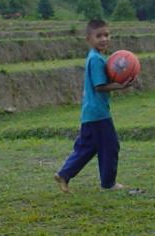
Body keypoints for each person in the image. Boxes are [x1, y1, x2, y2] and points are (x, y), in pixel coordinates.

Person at [54, 19, 133, 192]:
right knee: (110, 146)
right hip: (98, 113)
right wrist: (121, 85)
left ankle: (64, 174)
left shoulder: (96, 57)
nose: (104, 39)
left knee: (88, 147)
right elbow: (99, 86)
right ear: (88, 39)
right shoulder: (97, 59)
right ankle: (108, 183)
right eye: (99, 36)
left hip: (91, 112)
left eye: (106, 35)